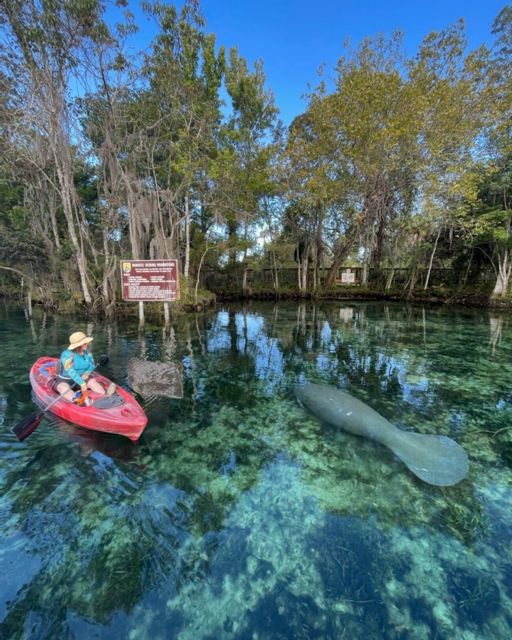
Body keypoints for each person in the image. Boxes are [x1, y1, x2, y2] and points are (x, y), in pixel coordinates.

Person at [55, 331, 114, 403]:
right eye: (85, 342)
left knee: (93, 382)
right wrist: (82, 383)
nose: (87, 344)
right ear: (78, 345)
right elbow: (71, 371)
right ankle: (79, 401)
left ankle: (105, 395)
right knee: (63, 388)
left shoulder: (87, 353)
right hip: (65, 380)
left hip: (82, 377)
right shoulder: (67, 355)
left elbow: (92, 365)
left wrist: (87, 372)